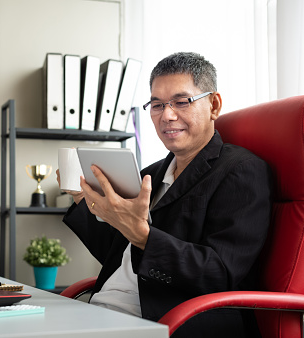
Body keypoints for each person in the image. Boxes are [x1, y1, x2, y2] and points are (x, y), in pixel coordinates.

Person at [57, 52, 272, 337]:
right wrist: (84, 200)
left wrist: (143, 237)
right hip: (101, 311)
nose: (167, 115)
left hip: (165, 321)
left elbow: (220, 273)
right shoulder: (151, 173)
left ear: (214, 105)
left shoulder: (241, 171)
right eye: (157, 104)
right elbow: (118, 256)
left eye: (181, 102)